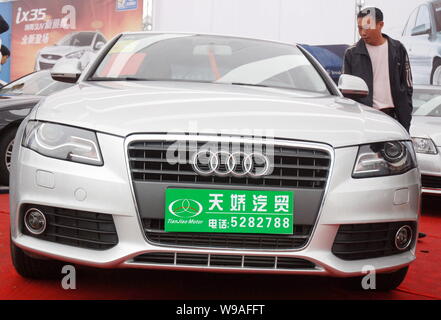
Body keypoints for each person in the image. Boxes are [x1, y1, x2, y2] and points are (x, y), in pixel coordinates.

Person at [343, 7, 413, 132]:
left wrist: (405, 117)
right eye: (359, 28)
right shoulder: (352, 53)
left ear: (381, 25)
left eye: (367, 27)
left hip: (395, 117)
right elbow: (346, 93)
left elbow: (407, 85)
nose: (363, 33)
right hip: (365, 117)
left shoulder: (397, 49)